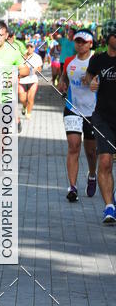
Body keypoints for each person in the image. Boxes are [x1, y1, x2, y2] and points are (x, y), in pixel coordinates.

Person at [58, 30, 97, 202]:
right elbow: (63, 78)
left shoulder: (96, 61)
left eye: (83, 42)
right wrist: (62, 83)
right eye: (77, 41)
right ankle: (72, 187)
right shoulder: (69, 61)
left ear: (90, 44)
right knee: (73, 146)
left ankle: (92, 174)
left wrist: (95, 83)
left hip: (93, 111)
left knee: (91, 151)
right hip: (72, 109)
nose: (79, 45)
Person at [83, 26, 116, 223]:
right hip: (103, 118)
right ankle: (109, 207)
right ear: (108, 37)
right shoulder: (98, 60)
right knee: (104, 161)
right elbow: (89, 77)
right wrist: (92, 82)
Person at [18, 41, 43, 120]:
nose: (29, 48)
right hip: (22, 80)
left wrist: (37, 70)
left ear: (34, 48)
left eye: (31, 47)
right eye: (28, 47)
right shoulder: (21, 56)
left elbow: (40, 68)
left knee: (30, 98)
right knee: (22, 99)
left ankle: (28, 114)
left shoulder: (37, 57)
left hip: (33, 80)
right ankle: (24, 106)